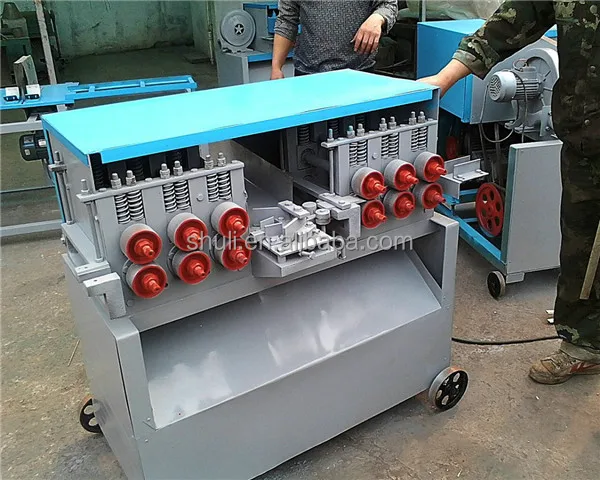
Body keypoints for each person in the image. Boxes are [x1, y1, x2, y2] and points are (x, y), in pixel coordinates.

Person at [419, 0, 600, 384]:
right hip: (586, 141)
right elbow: (516, 18)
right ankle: (584, 344)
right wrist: (444, 79)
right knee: (581, 244)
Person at [271, 0, 398, 79]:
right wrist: (276, 67)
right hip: (308, 75)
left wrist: (378, 17)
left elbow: (388, 5)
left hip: (358, 73)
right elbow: (286, 20)